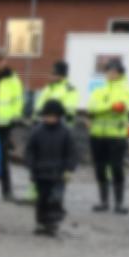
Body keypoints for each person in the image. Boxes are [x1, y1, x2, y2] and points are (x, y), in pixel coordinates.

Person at [25, 99, 77, 236]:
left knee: (55, 199)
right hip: (40, 173)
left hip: (58, 174)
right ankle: (41, 222)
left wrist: (69, 169)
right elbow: (30, 150)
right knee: (42, 199)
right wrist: (31, 166)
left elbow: (71, 153)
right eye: (47, 116)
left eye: (53, 116)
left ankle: (52, 223)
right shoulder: (37, 131)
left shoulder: (66, 132)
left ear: (59, 116)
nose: (50, 119)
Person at [86, 58, 129, 214]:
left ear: (120, 73)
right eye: (108, 71)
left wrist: (100, 109)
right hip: (97, 134)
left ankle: (119, 203)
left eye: (114, 71)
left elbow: (120, 107)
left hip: (116, 135)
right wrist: (108, 108)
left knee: (116, 168)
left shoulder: (125, 89)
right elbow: (91, 108)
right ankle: (103, 201)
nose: (110, 74)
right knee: (100, 168)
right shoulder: (99, 89)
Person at [0, 50, 24, 201]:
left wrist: (15, 116)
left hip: (4, 125)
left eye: (1, 60)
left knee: (3, 159)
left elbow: (18, 99)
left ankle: (6, 190)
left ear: (5, 61)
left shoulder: (12, 79)